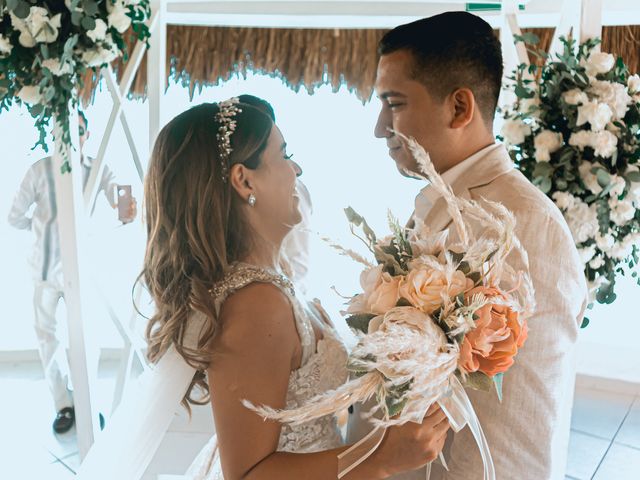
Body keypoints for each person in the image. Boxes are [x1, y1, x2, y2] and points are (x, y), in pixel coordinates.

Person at [347, 12, 588, 480]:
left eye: (393, 103)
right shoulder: (438, 201)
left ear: (459, 108)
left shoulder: (526, 225)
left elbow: (518, 432)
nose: (380, 127)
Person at [7, 111, 137, 434]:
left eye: (77, 130)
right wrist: (42, 229)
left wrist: (128, 210)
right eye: (63, 131)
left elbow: (121, 203)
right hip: (44, 272)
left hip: (82, 271)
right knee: (47, 340)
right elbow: (14, 216)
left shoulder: (99, 170)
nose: (70, 137)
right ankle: (63, 405)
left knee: (86, 339)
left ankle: (89, 402)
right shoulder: (38, 171)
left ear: (87, 134)